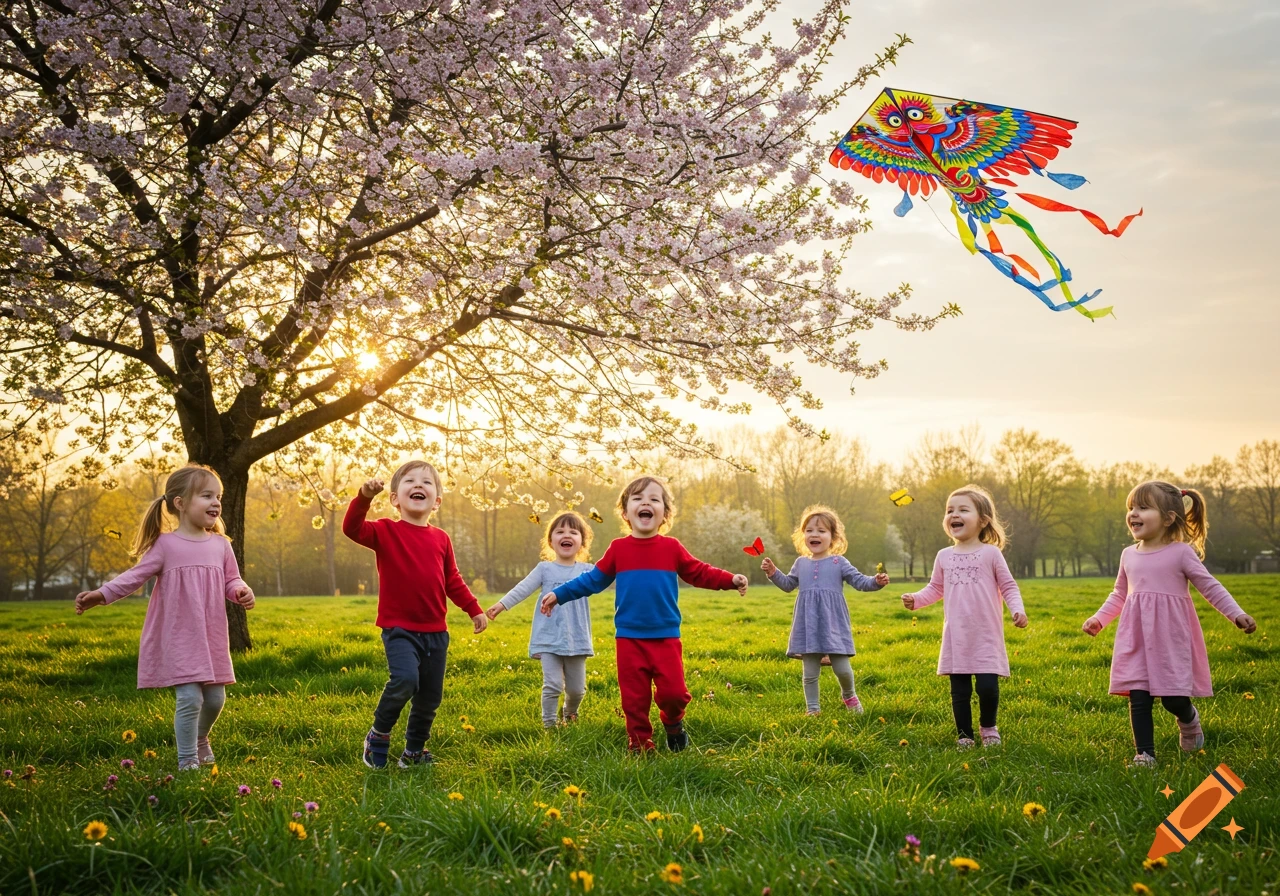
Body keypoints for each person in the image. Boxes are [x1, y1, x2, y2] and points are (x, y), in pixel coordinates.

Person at [540, 476, 748, 753]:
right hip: (629, 638)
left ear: (665, 513)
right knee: (634, 699)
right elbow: (592, 580)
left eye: (654, 499)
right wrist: (561, 593)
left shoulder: (671, 548)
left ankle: (673, 724)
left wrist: (729, 579)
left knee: (674, 694)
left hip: (665, 637)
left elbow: (699, 572)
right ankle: (639, 743)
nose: (646, 503)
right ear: (626, 513)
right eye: (637, 499)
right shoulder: (618, 549)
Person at [75, 464, 255, 771]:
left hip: (210, 635)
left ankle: (201, 739)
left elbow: (231, 580)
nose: (216, 503)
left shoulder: (220, 546)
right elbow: (134, 577)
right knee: (190, 698)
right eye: (206, 496)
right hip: (180, 635)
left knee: (214, 699)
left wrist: (241, 591)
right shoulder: (166, 545)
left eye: (218, 496)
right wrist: (101, 595)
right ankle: (187, 760)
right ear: (180, 503)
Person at [1082, 481, 1256, 766]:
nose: (1134, 513)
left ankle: (1188, 720)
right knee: (1138, 697)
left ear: (1167, 518)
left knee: (1172, 699)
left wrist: (1236, 613)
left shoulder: (1181, 553)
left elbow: (1209, 586)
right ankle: (1145, 754)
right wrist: (1099, 619)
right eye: (1131, 507)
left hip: (1169, 638)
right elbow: (1119, 594)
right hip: (1135, 637)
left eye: (1143, 507)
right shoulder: (1129, 554)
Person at [342, 460, 488, 769]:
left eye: (426, 482)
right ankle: (378, 734)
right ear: (395, 498)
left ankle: (414, 752)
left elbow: (452, 580)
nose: (418, 485)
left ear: (436, 501)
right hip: (399, 629)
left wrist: (474, 609)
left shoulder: (441, 539)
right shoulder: (385, 530)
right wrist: (364, 497)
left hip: (436, 631)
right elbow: (352, 528)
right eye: (409, 481)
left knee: (429, 697)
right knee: (406, 680)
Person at [901, 485, 1027, 748]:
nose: (953, 515)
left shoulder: (991, 553)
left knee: (987, 688)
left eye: (962, 510)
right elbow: (936, 588)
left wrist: (1017, 609)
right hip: (956, 636)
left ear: (982, 520)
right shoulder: (944, 556)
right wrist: (916, 600)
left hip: (986, 635)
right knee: (959, 690)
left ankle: (989, 727)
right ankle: (964, 735)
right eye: (949, 510)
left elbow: (1008, 586)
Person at [760, 504, 888, 715]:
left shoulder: (839, 562)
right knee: (810, 672)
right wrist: (773, 573)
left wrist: (877, 581)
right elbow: (788, 585)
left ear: (833, 537)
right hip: (807, 624)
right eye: (809, 530)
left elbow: (859, 581)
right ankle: (813, 709)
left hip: (833, 623)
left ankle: (849, 696)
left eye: (821, 531)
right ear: (803, 536)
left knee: (843, 670)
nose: (814, 534)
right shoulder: (801, 563)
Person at [486, 511, 596, 728]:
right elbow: (523, 588)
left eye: (574, 532)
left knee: (576, 689)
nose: (567, 535)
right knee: (553, 684)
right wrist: (501, 605)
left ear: (582, 542)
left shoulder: (587, 571)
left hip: (577, 638)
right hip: (548, 637)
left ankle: (570, 713)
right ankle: (549, 725)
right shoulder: (545, 569)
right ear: (551, 541)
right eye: (560, 531)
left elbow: (611, 574)